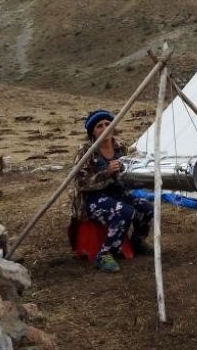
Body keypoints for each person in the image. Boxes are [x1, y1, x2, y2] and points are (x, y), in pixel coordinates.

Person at [69, 110, 154, 273]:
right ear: (92, 132)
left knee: (146, 207)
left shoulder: (120, 147)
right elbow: (80, 183)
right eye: (99, 126)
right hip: (92, 199)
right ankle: (105, 253)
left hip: (118, 194)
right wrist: (106, 173)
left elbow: (130, 172)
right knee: (124, 211)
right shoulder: (86, 151)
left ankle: (137, 241)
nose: (105, 128)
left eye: (108, 124)